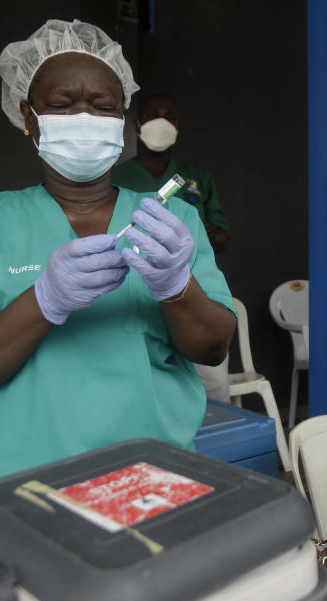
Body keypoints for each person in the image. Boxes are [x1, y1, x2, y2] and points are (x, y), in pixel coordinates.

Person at [0, 19, 235, 496]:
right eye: (63, 105)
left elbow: (212, 348)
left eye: (103, 107)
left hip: (155, 479)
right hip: (23, 486)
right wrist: (44, 299)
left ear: (123, 119)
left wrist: (176, 287)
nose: (84, 118)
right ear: (28, 116)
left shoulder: (172, 223)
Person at [112, 94, 232, 403]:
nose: (162, 121)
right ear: (137, 125)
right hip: (134, 295)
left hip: (196, 291)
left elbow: (223, 234)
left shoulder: (196, 178)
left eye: (170, 115)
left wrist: (208, 235)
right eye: (153, 114)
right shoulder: (116, 178)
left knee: (213, 387)